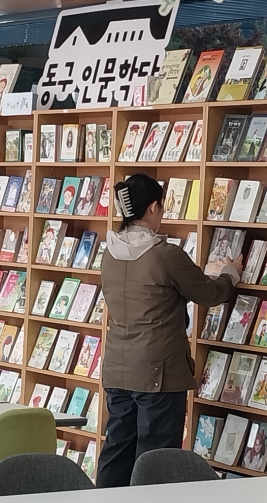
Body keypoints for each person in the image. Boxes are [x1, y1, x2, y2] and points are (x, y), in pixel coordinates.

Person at [97, 174, 242, 488]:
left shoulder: (109, 252)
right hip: (157, 372)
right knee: (156, 460)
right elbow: (209, 293)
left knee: (117, 450)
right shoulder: (164, 255)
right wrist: (230, 273)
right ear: (153, 207)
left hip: (117, 368)